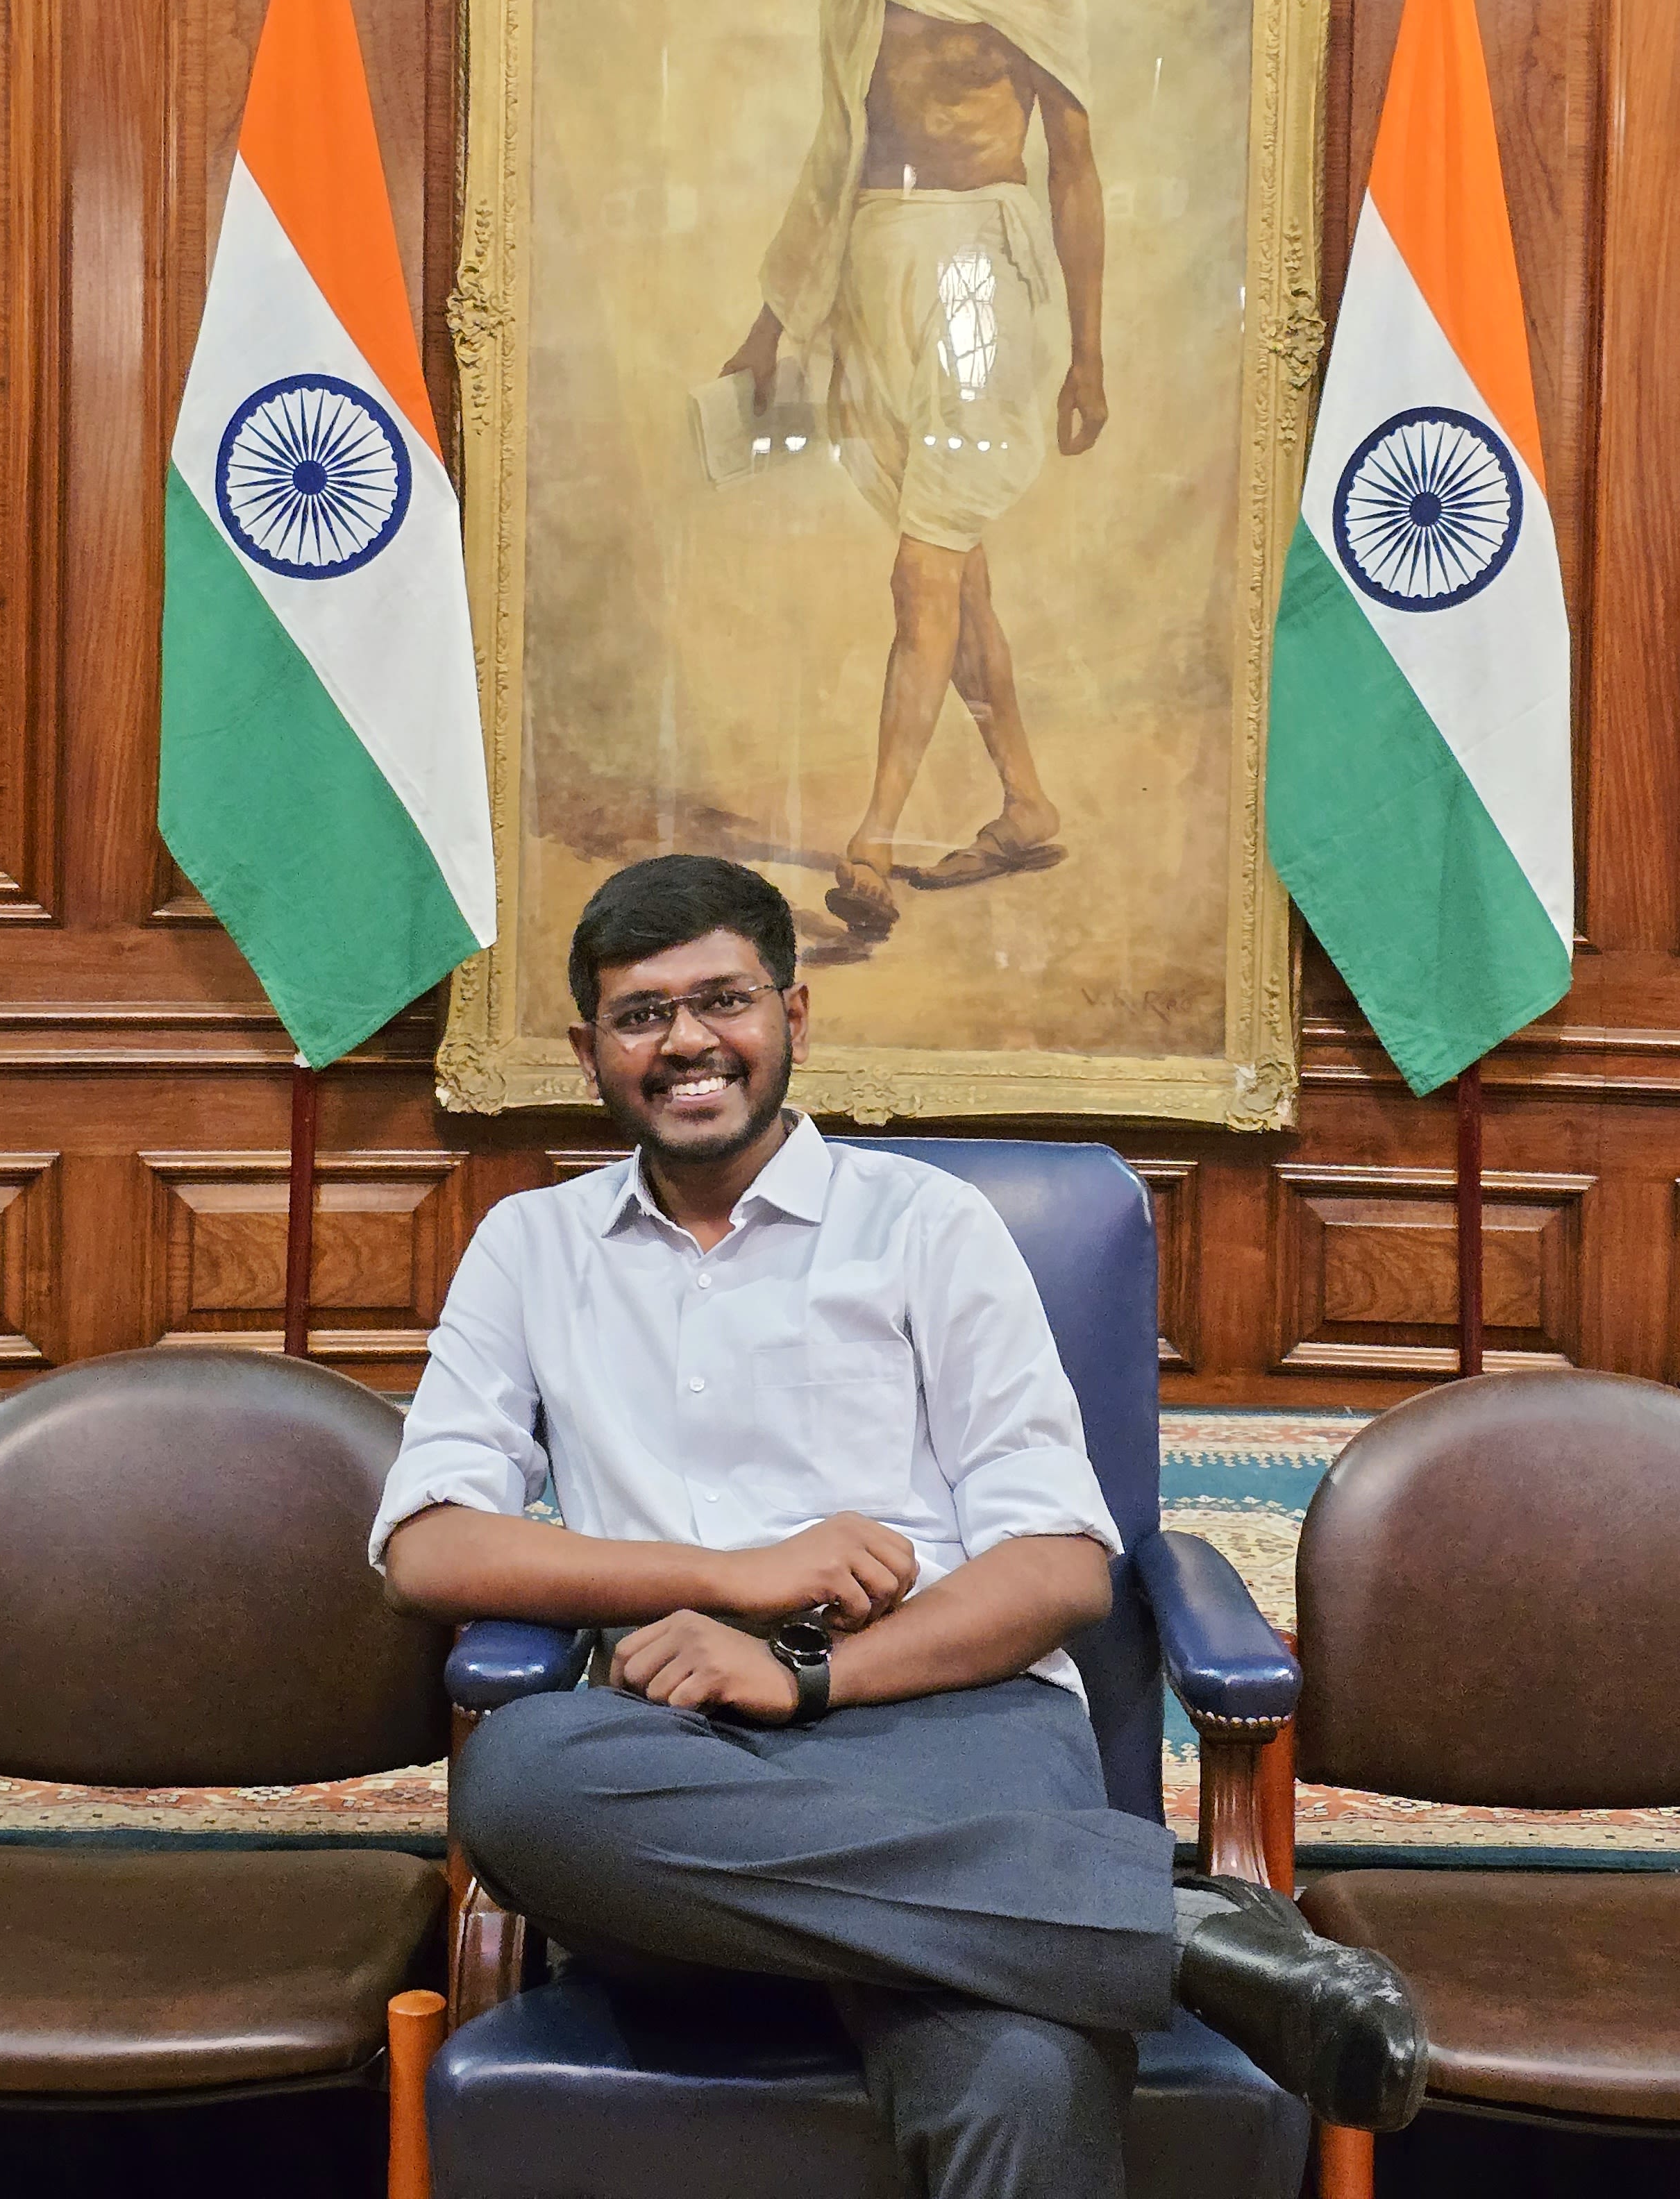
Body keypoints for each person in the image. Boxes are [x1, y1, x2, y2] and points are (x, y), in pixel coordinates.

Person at [373, 854, 1425, 2198]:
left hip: (950, 1724)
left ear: (793, 1017)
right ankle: (1173, 1933)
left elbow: (1056, 1565)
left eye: (723, 999)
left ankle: (1080, 1926)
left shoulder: (929, 1225)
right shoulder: (532, 1242)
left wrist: (809, 1668)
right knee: (523, 1773)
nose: (687, 1040)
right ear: (592, 1048)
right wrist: (731, 1576)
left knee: (1024, 2069)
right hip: (674, 1772)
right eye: (642, 1013)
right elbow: (428, 1542)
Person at [724, 0, 1105, 941]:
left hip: (977, 274)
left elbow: (1076, 168)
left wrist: (1089, 352)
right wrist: (772, 320)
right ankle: (1026, 806)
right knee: (958, 567)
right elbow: (832, 151)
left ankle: (871, 840)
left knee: (921, 570)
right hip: (872, 271)